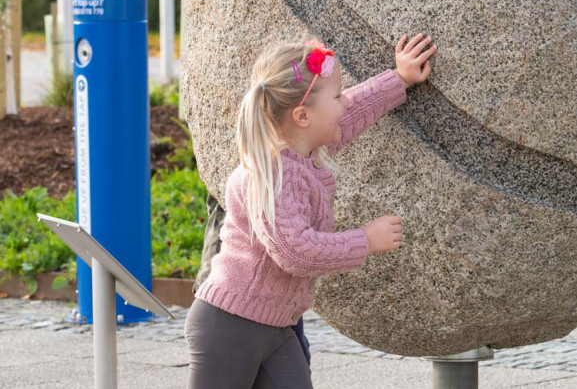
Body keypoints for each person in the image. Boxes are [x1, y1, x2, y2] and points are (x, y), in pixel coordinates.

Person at [185, 34, 437, 388]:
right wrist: (364, 240)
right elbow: (294, 251)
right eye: (337, 96)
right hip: (230, 327)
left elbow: (352, 115)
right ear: (302, 116)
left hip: (277, 327)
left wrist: (399, 78)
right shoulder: (271, 177)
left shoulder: (302, 152)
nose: (345, 103)